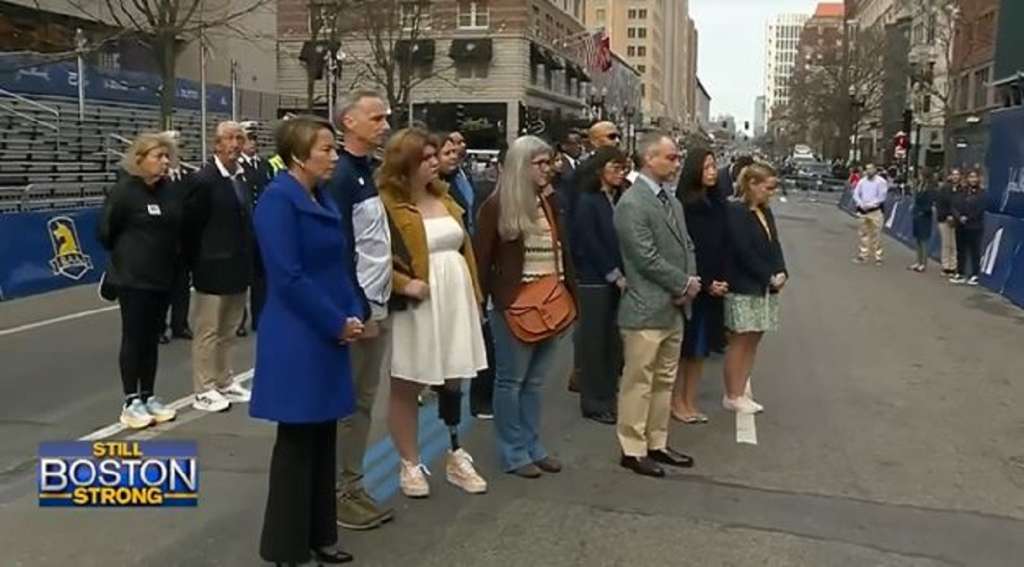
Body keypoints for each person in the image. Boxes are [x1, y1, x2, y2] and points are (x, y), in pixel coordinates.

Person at [250, 115, 362, 567]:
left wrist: (353, 310)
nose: (334, 156)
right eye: (326, 149)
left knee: (323, 437)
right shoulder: (278, 201)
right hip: (299, 333)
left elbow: (337, 263)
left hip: (329, 327)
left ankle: (321, 534)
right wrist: (335, 321)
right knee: (296, 444)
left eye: (335, 149)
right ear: (299, 155)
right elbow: (288, 277)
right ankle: (285, 548)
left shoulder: (320, 197)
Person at [377, 129, 489, 498]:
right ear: (405, 162)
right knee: (408, 381)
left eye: (433, 156)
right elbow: (371, 257)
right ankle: (409, 462)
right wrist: (402, 284)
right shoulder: (386, 204)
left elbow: (464, 248)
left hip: (455, 293)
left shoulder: (446, 197)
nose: (435, 162)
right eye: (425, 158)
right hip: (417, 301)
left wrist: (474, 294)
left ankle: (456, 453)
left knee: (455, 377)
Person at [475, 135, 577, 478]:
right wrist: (490, 302)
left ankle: (534, 446)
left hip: (551, 301)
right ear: (522, 165)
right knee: (511, 380)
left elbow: (562, 252)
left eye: (549, 162)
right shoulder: (497, 205)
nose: (549, 169)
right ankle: (513, 451)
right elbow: (480, 258)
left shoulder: (549, 202)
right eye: (541, 164)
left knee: (535, 382)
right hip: (513, 305)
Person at [323, 89, 395, 530]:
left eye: (385, 117)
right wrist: (359, 310)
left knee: (365, 402)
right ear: (348, 121)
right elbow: (342, 249)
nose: (385, 124)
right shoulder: (340, 177)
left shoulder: (370, 172)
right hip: (359, 309)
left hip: (377, 303)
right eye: (375, 117)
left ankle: (352, 482)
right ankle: (337, 491)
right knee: (349, 405)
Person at [613, 133, 699, 478]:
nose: (678, 163)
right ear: (649, 158)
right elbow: (644, 257)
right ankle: (632, 448)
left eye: (677, 158)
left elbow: (686, 245)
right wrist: (681, 283)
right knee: (639, 380)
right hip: (645, 306)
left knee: (665, 378)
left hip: (674, 306)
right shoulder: (632, 203)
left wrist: (689, 283)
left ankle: (656, 442)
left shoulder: (672, 202)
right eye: (672, 157)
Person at [97, 132, 182, 429]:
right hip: (133, 279)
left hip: (162, 277)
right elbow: (106, 232)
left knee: (152, 339)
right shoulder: (124, 192)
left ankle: (148, 394)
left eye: (166, 157)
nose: (164, 162)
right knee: (134, 338)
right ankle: (130, 399)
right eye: (158, 157)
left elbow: (176, 227)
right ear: (140, 159)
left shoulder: (169, 191)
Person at [184, 121, 254, 413]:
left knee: (229, 328)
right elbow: (190, 225)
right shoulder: (203, 179)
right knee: (208, 330)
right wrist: (195, 263)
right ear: (216, 144)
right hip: (211, 267)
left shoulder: (241, 178)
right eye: (229, 139)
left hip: (238, 265)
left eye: (240, 138)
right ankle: (204, 387)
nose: (235, 144)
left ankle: (225, 379)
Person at [570, 147, 629, 425]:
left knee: (611, 343)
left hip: (617, 281)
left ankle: (608, 396)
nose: (620, 174)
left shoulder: (616, 199)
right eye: (614, 168)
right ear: (600, 170)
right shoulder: (588, 201)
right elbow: (588, 242)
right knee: (594, 343)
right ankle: (594, 401)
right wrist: (612, 272)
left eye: (623, 169)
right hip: (594, 280)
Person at [722, 163, 787, 414]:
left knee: (755, 337)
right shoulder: (736, 211)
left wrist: (782, 270)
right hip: (744, 284)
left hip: (765, 285)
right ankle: (733, 393)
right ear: (752, 184)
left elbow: (775, 243)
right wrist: (767, 275)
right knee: (741, 338)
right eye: (768, 187)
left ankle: (741, 388)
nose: (771, 192)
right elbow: (742, 250)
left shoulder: (764, 211)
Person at [673, 148, 729, 424]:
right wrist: (705, 283)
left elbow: (722, 245)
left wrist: (720, 282)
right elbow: (690, 250)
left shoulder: (718, 202)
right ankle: (677, 401)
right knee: (685, 349)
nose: (712, 171)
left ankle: (690, 401)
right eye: (706, 167)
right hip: (693, 284)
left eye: (714, 166)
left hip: (714, 285)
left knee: (700, 350)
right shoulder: (685, 205)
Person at [237, 122, 274, 335]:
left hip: (261, 225)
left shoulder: (263, 165)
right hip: (245, 226)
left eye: (254, 140)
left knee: (261, 276)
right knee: (244, 275)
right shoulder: (239, 167)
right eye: (249, 140)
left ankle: (259, 316)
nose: (253, 144)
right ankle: (239, 320)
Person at [159, 132, 194, 344]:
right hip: (163, 244)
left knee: (182, 287)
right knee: (163, 289)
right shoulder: (157, 178)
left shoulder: (188, 176)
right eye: (173, 145)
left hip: (184, 241)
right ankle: (159, 327)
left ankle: (180, 324)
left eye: (179, 145)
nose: (177, 149)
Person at [949, 169, 986, 286]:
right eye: (970, 177)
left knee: (974, 251)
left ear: (978, 179)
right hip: (961, 226)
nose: (973, 179)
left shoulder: (982, 193)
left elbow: (980, 210)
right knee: (961, 250)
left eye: (975, 177)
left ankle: (975, 274)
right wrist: (959, 217)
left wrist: (968, 218)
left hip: (975, 226)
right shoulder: (962, 191)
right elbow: (954, 206)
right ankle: (960, 273)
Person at [852, 164, 889, 266]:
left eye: (870, 169)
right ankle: (863, 255)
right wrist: (860, 203)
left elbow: (882, 197)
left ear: (875, 170)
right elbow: (856, 193)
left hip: (875, 211)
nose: (868, 171)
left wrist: (871, 205)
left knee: (876, 234)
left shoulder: (881, 182)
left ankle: (878, 256)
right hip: (863, 210)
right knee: (863, 233)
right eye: (867, 169)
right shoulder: (862, 181)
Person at [909, 168, 937, 273]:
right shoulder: (920, 186)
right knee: (917, 239)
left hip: (924, 216)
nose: (919, 176)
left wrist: (923, 211)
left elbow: (930, 203)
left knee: (923, 240)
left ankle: (923, 264)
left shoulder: (930, 188)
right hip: (917, 215)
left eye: (921, 175)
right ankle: (918, 261)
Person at [935, 169, 962, 276]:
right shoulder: (944, 189)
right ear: (950, 176)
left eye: (957, 175)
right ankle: (945, 266)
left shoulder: (962, 189)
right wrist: (947, 216)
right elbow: (940, 204)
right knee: (946, 243)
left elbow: (962, 204)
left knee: (954, 244)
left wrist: (957, 217)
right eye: (953, 175)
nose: (955, 177)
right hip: (944, 219)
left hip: (957, 220)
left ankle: (953, 266)